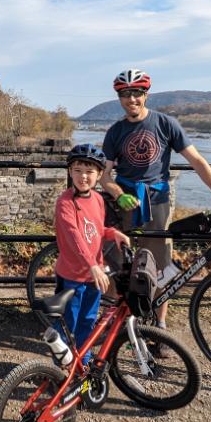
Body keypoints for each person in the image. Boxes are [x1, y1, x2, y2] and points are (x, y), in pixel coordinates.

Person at [100, 69, 211, 341]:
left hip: (158, 204)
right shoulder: (115, 132)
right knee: (119, 264)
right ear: (119, 98)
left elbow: (197, 161)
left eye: (137, 93)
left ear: (146, 95)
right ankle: (114, 323)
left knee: (161, 267)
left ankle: (159, 327)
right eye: (125, 94)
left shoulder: (166, 124)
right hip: (125, 206)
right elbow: (104, 175)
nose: (132, 99)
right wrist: (118, 194)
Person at [53, 144, 131, 364]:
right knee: (68, 322)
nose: (83, 177)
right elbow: (74, 236)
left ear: (99, 175)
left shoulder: (97, 199)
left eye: (89, 171)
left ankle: (83, 361)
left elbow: (95, 229)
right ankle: (61, 368)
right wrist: (93, 265)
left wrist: (112, 233)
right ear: (70, 172)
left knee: (88, 320)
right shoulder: (65, 202)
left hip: (93, 275)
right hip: (72, 275)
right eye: (77, 170)